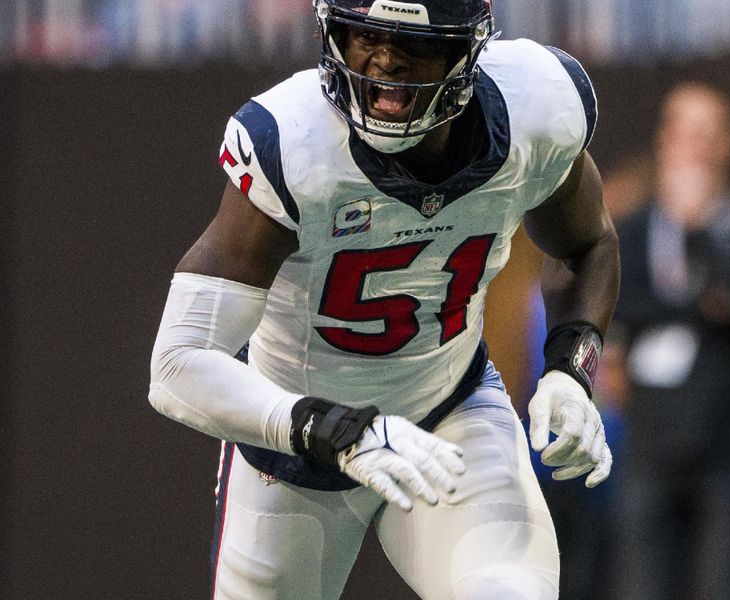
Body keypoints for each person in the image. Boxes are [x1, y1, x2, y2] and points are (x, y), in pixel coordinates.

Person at [148, 2, 620, 599]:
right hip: (296, 444)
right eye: (364, 34)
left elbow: (588, 242)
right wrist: (336, 431)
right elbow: (177, 364)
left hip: (449, 412)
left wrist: (570, 368)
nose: (383, 60)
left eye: (411, 42)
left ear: (463, 50)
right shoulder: (293, 141)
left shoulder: (536, 109)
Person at [609, 81, 730, 600]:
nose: (696, 146)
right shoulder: (633, 226)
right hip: (652, 438)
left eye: (710, 132)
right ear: (664, 138)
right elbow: (622, 306)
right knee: (643, 583)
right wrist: (699, 307)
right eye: (685, 131)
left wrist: (697, 226)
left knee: (727, 584)